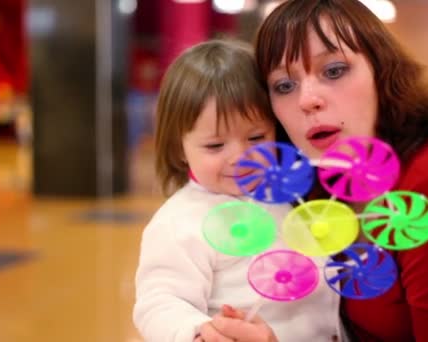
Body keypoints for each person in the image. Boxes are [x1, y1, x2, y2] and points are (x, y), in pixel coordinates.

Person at [201, 1, 428, 341]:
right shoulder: (327, 185)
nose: (307, 100)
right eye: (284, 86)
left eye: (334, 70)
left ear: (382, 74)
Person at [133, 39, 342, 342]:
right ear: (180, 148)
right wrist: (195, 332)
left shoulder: (291, 193)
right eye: (215, 145)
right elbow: (159, 301)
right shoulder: (180, 222)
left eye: (256, 137)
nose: (241, 157)